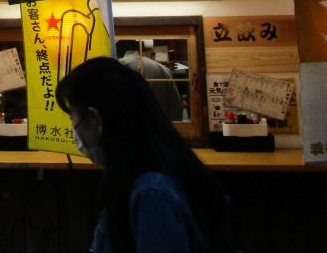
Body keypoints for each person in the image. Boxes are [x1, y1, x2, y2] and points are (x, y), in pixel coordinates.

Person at [57, 57, 232, 253]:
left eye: (72, 115)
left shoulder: (152, 194)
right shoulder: (151, 170)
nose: (73, 126)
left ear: (96, 120)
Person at [117, 39, 183, 121]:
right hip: (158, 126)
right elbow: (175, 107)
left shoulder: (116, 67)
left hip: (126, 127)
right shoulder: (163, 69)